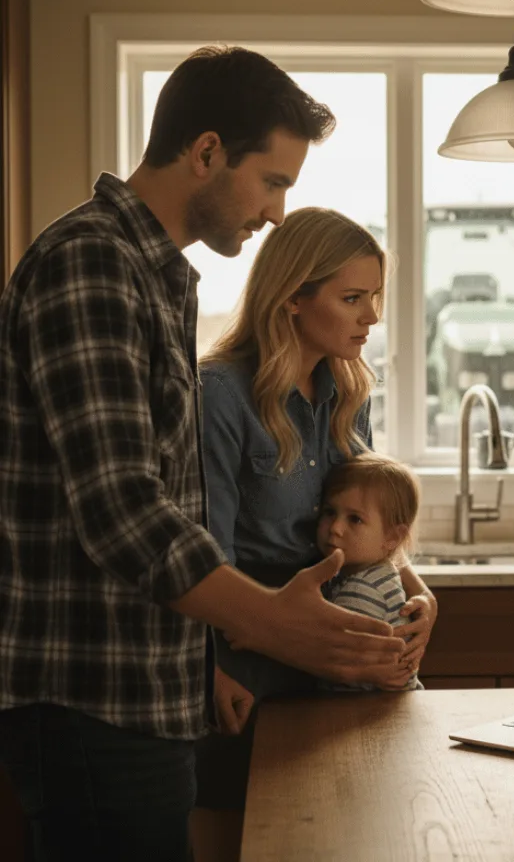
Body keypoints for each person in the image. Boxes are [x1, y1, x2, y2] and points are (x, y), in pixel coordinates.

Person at [0, 46, 408, 862]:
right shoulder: (91, 264)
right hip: (91, 695)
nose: (279, 212)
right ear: (208, 153)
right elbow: (123, 512)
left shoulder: (158, 276)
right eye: (273, 181)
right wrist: (277, 628)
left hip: (144, 688)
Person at [194, 206, 437, 816]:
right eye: (353, 297)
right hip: (248, 659)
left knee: (347, 828)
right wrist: (210, 672)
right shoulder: (219, 394)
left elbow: (371, 515)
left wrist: (421, 596)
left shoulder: (347, 390)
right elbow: (201, 553)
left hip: (333, 667)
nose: (373, 316)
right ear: (292, 298)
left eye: (375, 296)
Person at [317, 453, 425, 693]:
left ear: (392, 537)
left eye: (354, 519)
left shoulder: (362, 590)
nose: (335, 527)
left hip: (369, 713)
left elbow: (340, 673)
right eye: (329, 512)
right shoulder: (376, 573)